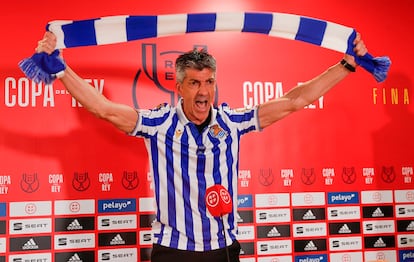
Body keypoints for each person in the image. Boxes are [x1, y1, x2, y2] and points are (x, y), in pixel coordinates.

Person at [36, 31, 367, 261]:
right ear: (180, 87)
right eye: (194, 83)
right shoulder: (159, 124)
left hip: (223, 249)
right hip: (173, 252)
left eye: (209, 82)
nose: (203, 91)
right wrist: (61, 68)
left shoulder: (231, 122)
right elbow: (102, 108)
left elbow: (295, 99)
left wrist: (347, 65)